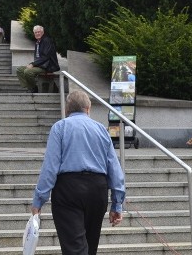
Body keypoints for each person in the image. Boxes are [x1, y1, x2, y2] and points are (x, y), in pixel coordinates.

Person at [31, 90, 126, 255]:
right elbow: (114, 168)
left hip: (68, 190)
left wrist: (39, 200)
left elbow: (50, 167)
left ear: (67, 110)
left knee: (75, 249)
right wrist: (117, 203)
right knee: (90, 247)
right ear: (88, 109)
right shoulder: (102, 130)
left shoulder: (60, 128)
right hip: (97, 190)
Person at [15, 25, 60, 93]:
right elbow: (38, 57)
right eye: (35, 32)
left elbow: (45, 57)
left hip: (47, 66)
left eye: (39, 32)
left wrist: (33, 64)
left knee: (28, 72)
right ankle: (30, 87)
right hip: (39, 65)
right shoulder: (37, 42)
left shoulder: (47, 41)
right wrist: (32, 64)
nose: (37, 33)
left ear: (43, 32)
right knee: (19, 70)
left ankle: (33, 88)